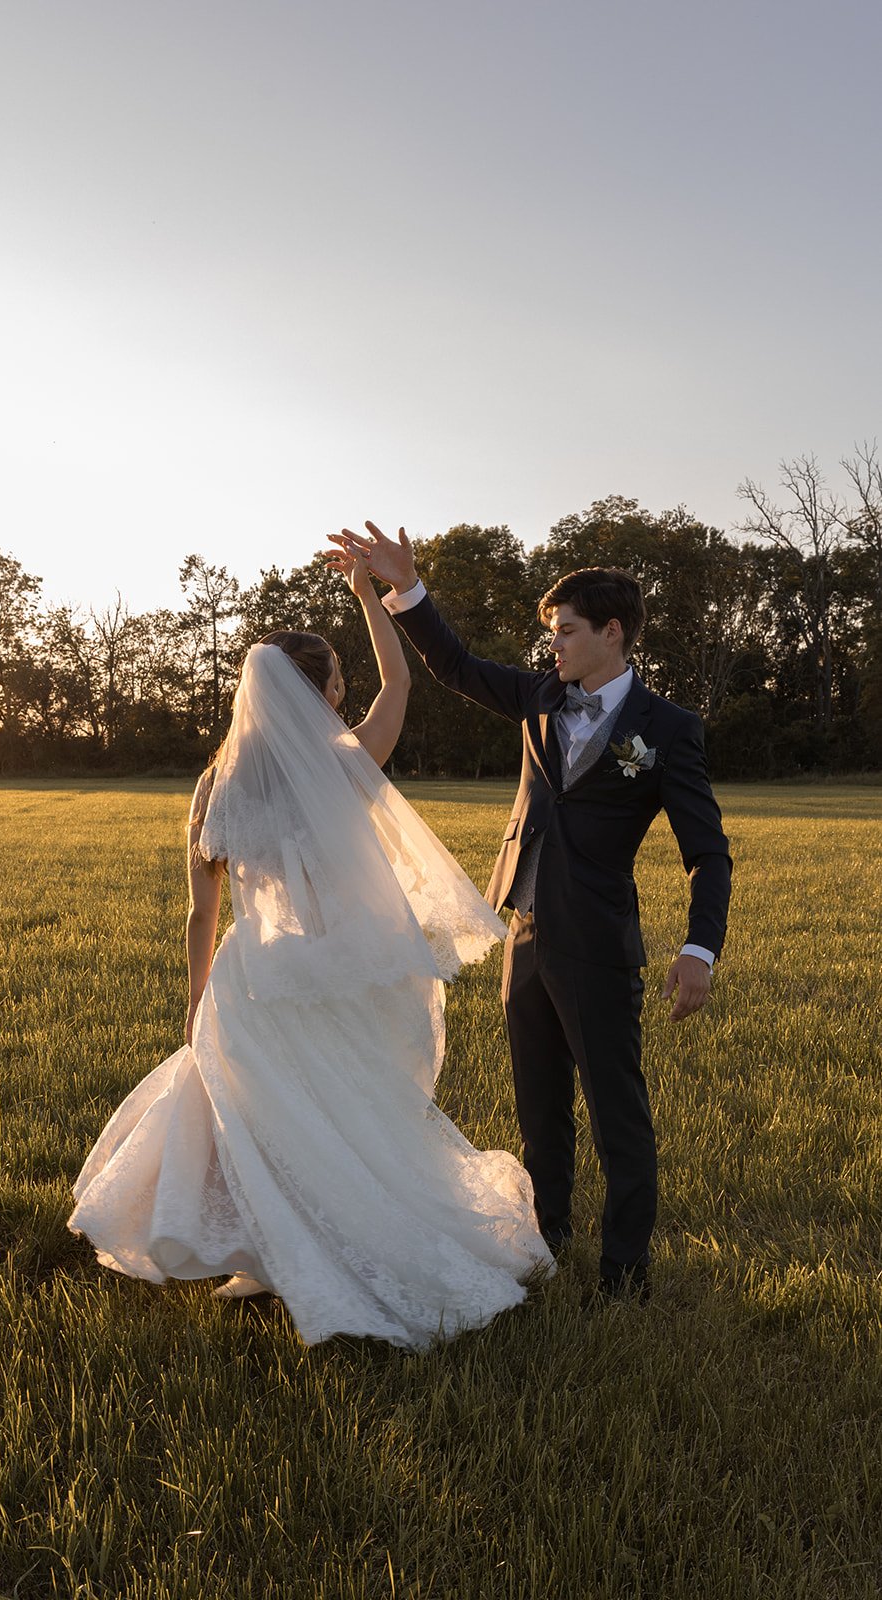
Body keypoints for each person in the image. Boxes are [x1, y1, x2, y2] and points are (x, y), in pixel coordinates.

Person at [68, 552, 554, 1348]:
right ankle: (323, 1251)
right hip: (347, 973)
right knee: (353, 1119)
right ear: (320, 692)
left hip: (253, 975)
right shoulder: (346, 764)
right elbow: (398, 686)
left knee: (268, 1126)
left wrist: (196, 1002)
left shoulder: (211, 785)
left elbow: (202, 914)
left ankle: (278, 1253)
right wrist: (370, 597)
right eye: (335, 683)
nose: (344, 693)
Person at [330, 524, 733, 1301]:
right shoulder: (538, 696)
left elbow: (707, 853)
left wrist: (699, 949)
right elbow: (450, 665)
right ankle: (547, 1241)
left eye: (566, 632)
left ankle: (624, 1274)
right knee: (538, 1110)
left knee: (619, 1116)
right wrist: (404, 587)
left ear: (611, 634)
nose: (553, 646)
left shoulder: (667, 730)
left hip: (596, 942)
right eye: (551, 634)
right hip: (523, 931)